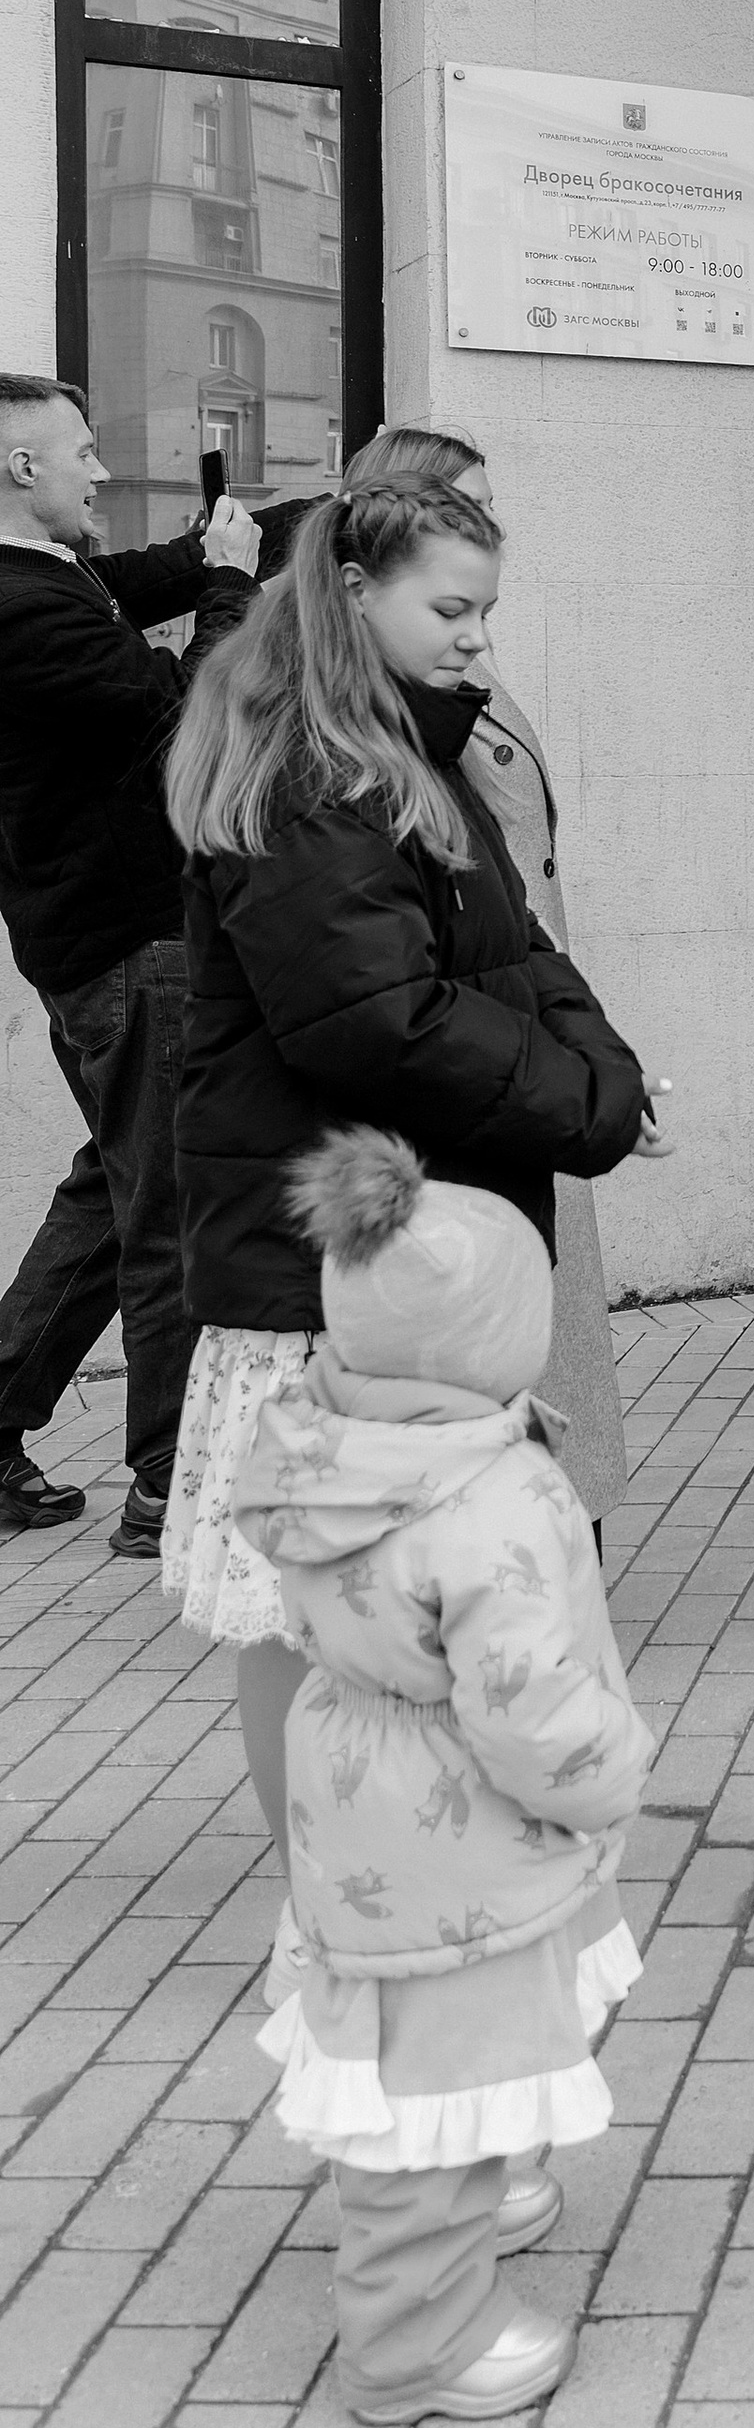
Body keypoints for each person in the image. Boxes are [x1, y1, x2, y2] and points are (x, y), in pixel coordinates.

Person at [160, 471, 660, 1904]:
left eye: (485, 613)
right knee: (300, 1605)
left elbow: (510, 953)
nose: (476, 643)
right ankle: (334, 1891)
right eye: (451, 610)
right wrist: (584, 1102)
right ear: (353, 595)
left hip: (398, 1242)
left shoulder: (399, 757)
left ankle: (402, 1866)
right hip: (324, 1257)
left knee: (393, 1592)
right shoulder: (309, 776)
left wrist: (603, 1078)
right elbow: (370, 1019)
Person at [234, 1127, 652, 2424]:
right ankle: (416, 2343)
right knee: (441, 2076)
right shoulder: (493, 1499)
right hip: (472, 1825)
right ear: (487, 1345)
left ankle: (491, 2182)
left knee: (441, 2056)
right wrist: (608, 1771)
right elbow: (528, 1705)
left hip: (359, 1811)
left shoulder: (324, 1445)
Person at [336, 425, 629, 1525]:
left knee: (544, 1294)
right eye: (472, 507)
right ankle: (529, 1529)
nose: (470, 627)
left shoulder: (458, 664)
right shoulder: (381, 699)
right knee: (495, 1309)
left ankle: (552, 1517)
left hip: (520, 1001)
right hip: (477, 1040)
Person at [0, 374, 264, 1553]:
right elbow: (183, 703)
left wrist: (248, 539)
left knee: (112, 1198)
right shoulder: (20, 605)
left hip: (100, 944)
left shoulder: (48, 580)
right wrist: (232, 587)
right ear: (20, 470)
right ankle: (170, 1479)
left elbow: (136, 579)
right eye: (82, 453)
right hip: (131, 942)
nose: (98, 472)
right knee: (170, 1212)